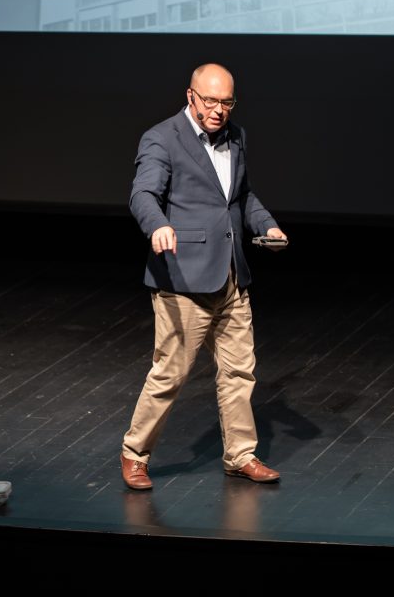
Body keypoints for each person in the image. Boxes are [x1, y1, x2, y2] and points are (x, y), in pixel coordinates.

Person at [120, 63, 287, 490]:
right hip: (184, 277)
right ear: (190, 95)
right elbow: (143, 193)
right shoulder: (162, 137)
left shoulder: (236, 136)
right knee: (170, 374)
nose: (218, 110)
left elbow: (240, 196)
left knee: (239, 371)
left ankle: (241, 455)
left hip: (231, 273)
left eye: (226, 102)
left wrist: (266, 225)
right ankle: (134, 454)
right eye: (210, 100)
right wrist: (157, 225)